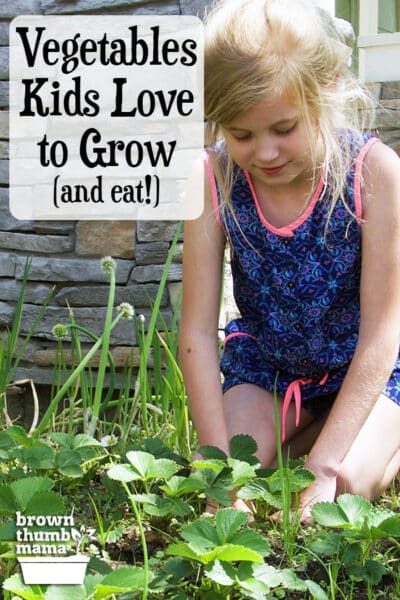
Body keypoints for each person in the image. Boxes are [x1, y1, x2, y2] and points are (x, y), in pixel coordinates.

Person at [179, 0, 400, 521]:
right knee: (228, 467)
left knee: (345, 487)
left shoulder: (376, 175)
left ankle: (357, 436)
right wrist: (216, 468)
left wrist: (325, 467)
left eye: (284, 127)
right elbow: (194, 331)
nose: (265, 152)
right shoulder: (210, 180)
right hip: (270, 369)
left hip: (368, 369)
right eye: (241, 134)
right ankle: (304, 428)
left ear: (327, 93)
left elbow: (382, 334)